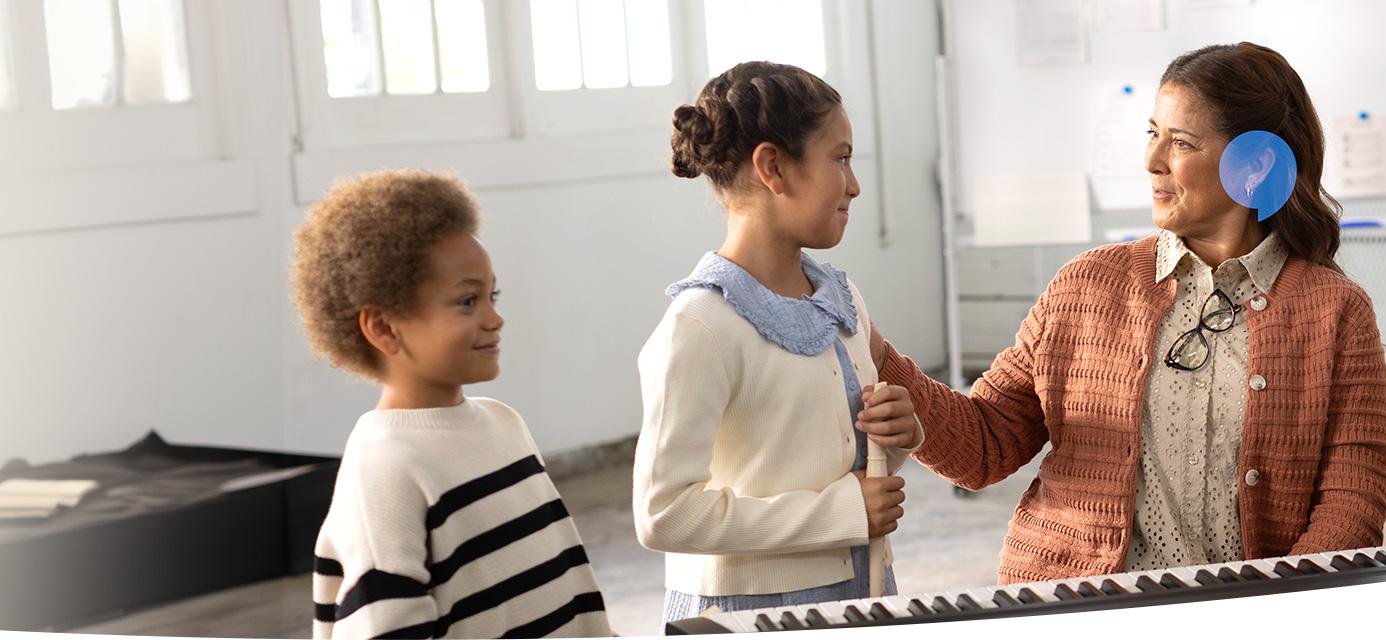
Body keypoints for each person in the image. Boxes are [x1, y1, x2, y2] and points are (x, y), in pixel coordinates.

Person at [862, 43, 1386, 583]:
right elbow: (985, 444)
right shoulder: (1087, 285)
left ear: (1255, 163)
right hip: (1075, 605)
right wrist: (874, 352)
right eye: (1152, 133)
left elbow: (1353, 503)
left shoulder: (1336, 312)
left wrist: (1271, 609)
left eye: (1181, 142)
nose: (1152, 160)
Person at [633, 61, 923, 622]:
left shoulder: (842, 299)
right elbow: (662, 514)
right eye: (840, 158)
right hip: (748, 616)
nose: (855, 184)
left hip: (864, 593)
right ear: (773, 167)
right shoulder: (699, 327)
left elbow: (830, 458)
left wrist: (903, 435)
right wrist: (839, 513)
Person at [293, 170, 613, 638]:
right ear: (383, 328)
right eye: (467, 301)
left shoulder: (505, 425)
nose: (495, 318)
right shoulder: (384, 468)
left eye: (491, 295)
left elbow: (570, 595)